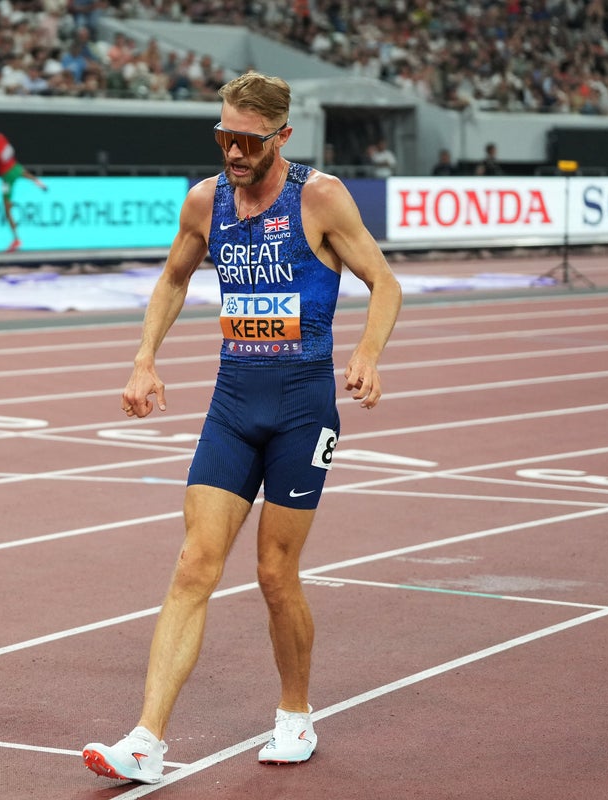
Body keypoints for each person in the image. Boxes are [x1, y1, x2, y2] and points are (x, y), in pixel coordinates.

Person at [81, 70, 402, 785]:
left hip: (300, 408)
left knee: (273, 572)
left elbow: (385, 281)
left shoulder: (318, 197)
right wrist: (145, 361)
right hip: (233, 402)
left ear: (281, 137)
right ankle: (146, 739)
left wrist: (367, 354)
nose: (232, 151)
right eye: (223, 135)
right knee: (195, 563)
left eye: (248, 141)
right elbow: (172, 278)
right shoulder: (205, 201)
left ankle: (294, 714)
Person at [0, 124, 48, 252]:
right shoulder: (0, 137)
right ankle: (37, 181)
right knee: (23, 172)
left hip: (6, 177)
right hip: (15, 167)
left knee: (7, 210)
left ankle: (16, 239)